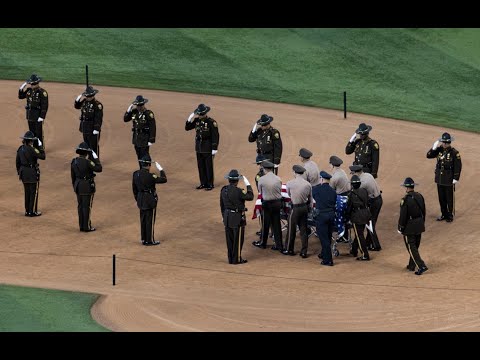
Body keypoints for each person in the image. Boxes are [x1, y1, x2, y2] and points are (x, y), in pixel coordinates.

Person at [220, 170, 254, 264]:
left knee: (229, 240)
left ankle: (230, 258)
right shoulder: (239, 191)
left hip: (227, 217)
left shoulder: (223, 189)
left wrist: (223, 216)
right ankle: (237, 259)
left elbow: (222, 205)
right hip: (237, 218)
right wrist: (247, 183)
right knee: (238, 239)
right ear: (237, 181)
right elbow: (250, 196)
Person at [132, 154, 167, 245]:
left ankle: (143, 239)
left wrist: (137, 199)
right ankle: (149, 240)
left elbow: (134, 189)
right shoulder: (151, 176)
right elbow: (164, 179)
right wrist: (161, 169)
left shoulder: (136, 174)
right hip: (149, 199)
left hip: (140, 198)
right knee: (149, 220)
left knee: (143, 219)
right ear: (148, 165)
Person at [426, 132, 462, 222]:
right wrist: (433, 148)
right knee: (441, 197)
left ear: (449, 142)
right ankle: (443, 214)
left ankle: (449, 215)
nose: (444, 144)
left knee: (449, 198)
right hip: (440, 178)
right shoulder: (439, 150)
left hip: (449, 178)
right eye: (443, 142)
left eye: (446, 142)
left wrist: (455, 178)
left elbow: (458, 166)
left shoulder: (454, 153)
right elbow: (429, 156)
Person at [185, 103, 219, 190]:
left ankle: (210, 184)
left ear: (204, 114)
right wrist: (190, 117)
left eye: (200, 114)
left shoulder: (211, 122)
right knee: (201, 166)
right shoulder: (197, 121)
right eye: (198, 114)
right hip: (199, 147)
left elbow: (215, 136)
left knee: (208, 166)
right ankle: (203, 183)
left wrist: (214, 148)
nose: (199, 116)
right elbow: (187, 127)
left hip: (207, 147)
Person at [398, 177, 428, 275]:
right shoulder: (420, 196)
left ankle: (421, 265)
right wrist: (422, 222)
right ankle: (412, 265)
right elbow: (423, 211)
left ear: (406, 188)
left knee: (411, 247)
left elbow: (403, 215)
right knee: (415, 246)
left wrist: (400, 227)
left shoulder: (405, 200)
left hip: (409, 227)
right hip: (419, 224)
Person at [349, 164, 383, 251]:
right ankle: (369, 243)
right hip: (378, 199)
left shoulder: (362, 182)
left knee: (370, 224)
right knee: (370, 223)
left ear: (356, 173)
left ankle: (375, 245)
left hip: (374, 202)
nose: (352, 175)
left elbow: (358, 193)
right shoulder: (368, 174)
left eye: (353, 173)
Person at [252, 161, 284, 252]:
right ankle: (279, 245)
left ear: (264, 169)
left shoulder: (261, 179)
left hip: (267, 204)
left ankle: (263, 243)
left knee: (266, 224)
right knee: (277, 224)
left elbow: (260, 191)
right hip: (277, 204)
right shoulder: (278, 178)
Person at [71, 142, 102, 232]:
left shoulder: (74, 161)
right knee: (86, 207)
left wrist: (75, 186)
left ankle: (81, 226)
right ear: (86, 153)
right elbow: (99, 168)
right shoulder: (88, 162)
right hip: (87, 186)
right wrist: (95, 157)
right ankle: (87, 226)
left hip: (78, 185)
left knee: (80, 206)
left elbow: (72, 176)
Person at [283, 165, 313, 258]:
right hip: (304, 208)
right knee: (303, 230)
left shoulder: (290, 183)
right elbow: (310, 199)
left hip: (295, 208)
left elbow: (288, 194)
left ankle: (289, 249)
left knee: (291, 229)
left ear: (295, 173)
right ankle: (304, 251)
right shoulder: (308, 184)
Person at [16, 131, 45, 216]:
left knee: (27, 192)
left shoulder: (20, 149)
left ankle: (27, 211)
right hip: (32, 173)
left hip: (23, 173)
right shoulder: (33, 149)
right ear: (31, 141)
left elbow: (17, 162)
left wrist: (19, 172)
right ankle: (31, 211)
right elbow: (43, 156)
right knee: (33, 192)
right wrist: (40, 146)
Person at [312, 171, 337, 265]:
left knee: (324, 239)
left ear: (321, 179)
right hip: (331, 215)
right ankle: (323, 254)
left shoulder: (316, 190)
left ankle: (328, 260)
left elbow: (314, 196)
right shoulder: (333, 191)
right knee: (328, 236)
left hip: (321, 216)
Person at [18, 74, 49, 150]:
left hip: (38, 115)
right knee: (32, 132)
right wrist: (23, 85)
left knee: (38, 133)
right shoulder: (29, 91)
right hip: (30, 114)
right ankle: (34, 147)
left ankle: (40, 148)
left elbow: (45, 105)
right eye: (31, 84)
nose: (32, 85)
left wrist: (42, 117)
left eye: (33, 84)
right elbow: (20, 96)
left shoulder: (42, 92)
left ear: (38, 83)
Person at [124, 95, 156, 164]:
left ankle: (146, 169)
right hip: (136, 137)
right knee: (138, 154)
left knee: (144, 155)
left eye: (141, 105)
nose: (139, 107)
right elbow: (125, 119)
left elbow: (153, 127)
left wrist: (151, 140)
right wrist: (128, 111)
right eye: (138, 105)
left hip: (144, 137)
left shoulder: (148, 113)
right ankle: (142, 169)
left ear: (144, 105)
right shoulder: (134, 112)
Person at [345, 175, 371, 261]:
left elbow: (349, 207)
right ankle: (354, 250)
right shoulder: (364, 191)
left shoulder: (351, 194)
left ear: (352, 185)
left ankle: (365, 254)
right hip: (365, 214)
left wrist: (347, 217)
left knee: (360, 235)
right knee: (359, 233)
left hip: (357, 216)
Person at [74, 85, 103, 158]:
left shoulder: (97, 105)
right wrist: (77, 100)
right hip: (84, 126)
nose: (87, 98)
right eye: (86, 96)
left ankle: (95, 161)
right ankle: (89, 160)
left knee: (93, 146)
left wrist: (96, 129)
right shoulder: (85, 101)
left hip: (92, 127)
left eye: (88, 96)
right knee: (86, 144)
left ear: (93, 96)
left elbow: (98, 118)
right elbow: (77, 106)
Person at [329, 155, 351, 242]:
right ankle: (344, 235)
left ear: (332, 165)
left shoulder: (335, 177)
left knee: (337, 216)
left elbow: (331, 190)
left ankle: (339, 234)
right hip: (347, 197)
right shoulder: (342, 172)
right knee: (344, 217)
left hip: (341, 199)